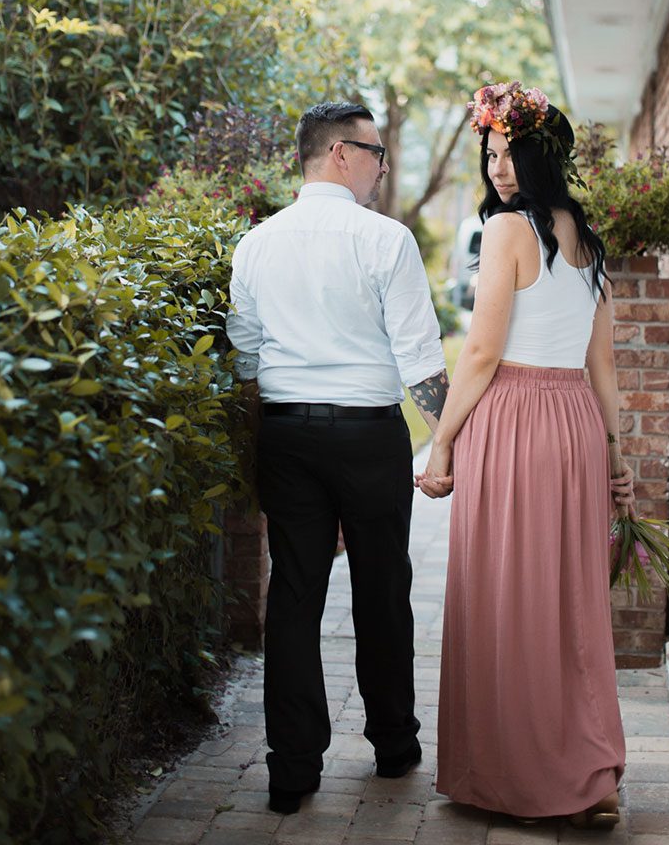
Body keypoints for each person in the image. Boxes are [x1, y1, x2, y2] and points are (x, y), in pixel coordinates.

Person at [416, 81, 635, 831]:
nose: (498, 166)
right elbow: (603, 366)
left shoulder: (509, 232)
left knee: (505, 596)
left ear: (542, 157)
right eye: (491, 150)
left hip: (513, 419)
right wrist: (613, 453)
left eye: (510, 152)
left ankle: (517, 774)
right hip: (572, 422)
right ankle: (590, 772)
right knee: (570, 602)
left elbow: (479, 352)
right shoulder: (588, 236)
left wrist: (440, 440)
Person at [226, 101, 450, 815]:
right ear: (340, 155)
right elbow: (420, 360)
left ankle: (291, 768)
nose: (384, 168)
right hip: (367, 435)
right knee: (383, 587)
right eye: (377, 155)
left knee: (293, 595)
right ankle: (393, 744)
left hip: (288, 434)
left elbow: (244, 357)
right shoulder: (385, 240)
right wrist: (450, 439)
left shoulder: (256, 244)